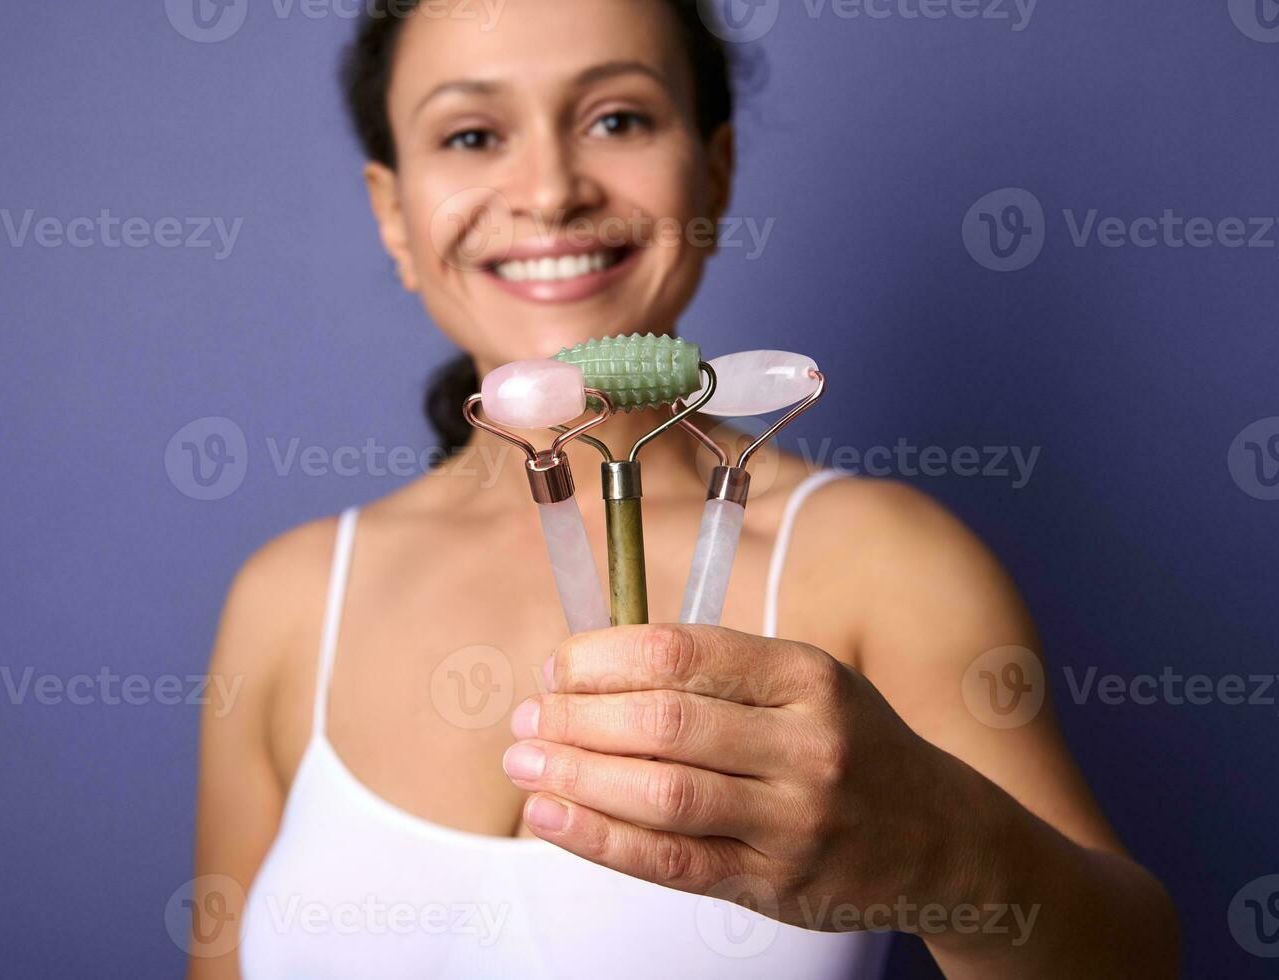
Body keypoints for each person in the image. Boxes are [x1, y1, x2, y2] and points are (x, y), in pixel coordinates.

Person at [191, 1, 1179, 976]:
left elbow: (1133, 957)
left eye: (617, 117)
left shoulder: (885, 560)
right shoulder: (287, 600)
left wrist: (945, 857)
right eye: (472, 133)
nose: (549, 190)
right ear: (394, 214)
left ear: (714, 170)